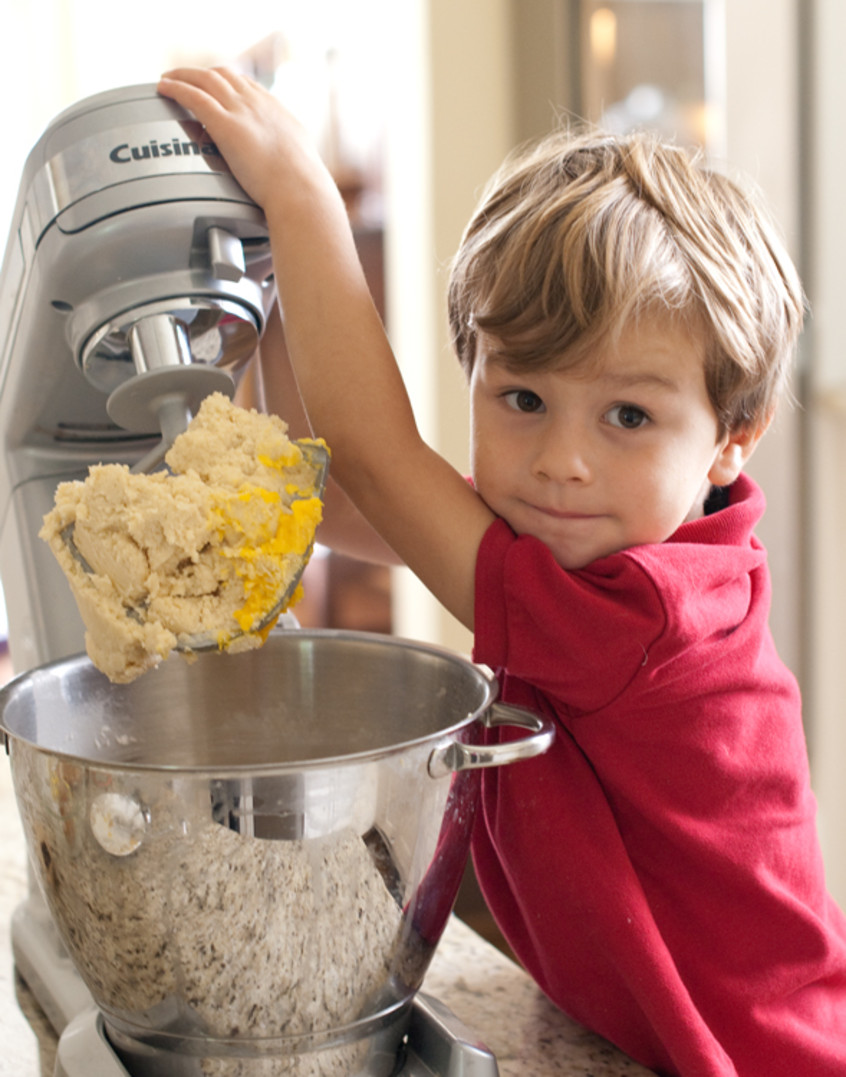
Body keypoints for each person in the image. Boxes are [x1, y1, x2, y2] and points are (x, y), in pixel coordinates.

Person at [157, 67, 846, 1076]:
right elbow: (337, 491)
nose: (562, 461)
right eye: (523, 397)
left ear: (732, 439)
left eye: (628, 417)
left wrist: (302, 196)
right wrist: (269, 280)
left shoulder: (641, 614)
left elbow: (376, 457)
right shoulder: (599, 541)